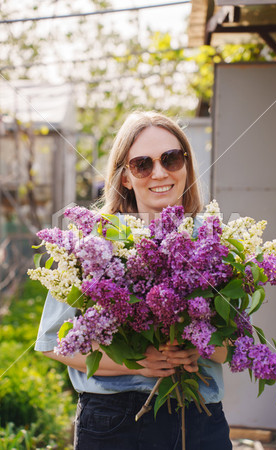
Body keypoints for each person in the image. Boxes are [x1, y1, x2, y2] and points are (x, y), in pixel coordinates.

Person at [35, 111, 233, 450]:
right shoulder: (93, 241)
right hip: (117, 421)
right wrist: (138, 361)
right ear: (125, 177)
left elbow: (229, 346)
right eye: (143, 164)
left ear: (185, 164)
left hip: (201, 419)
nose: (160, 173)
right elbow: (53, 342)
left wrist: (195, 346)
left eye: (171, 159)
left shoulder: (215, 239)